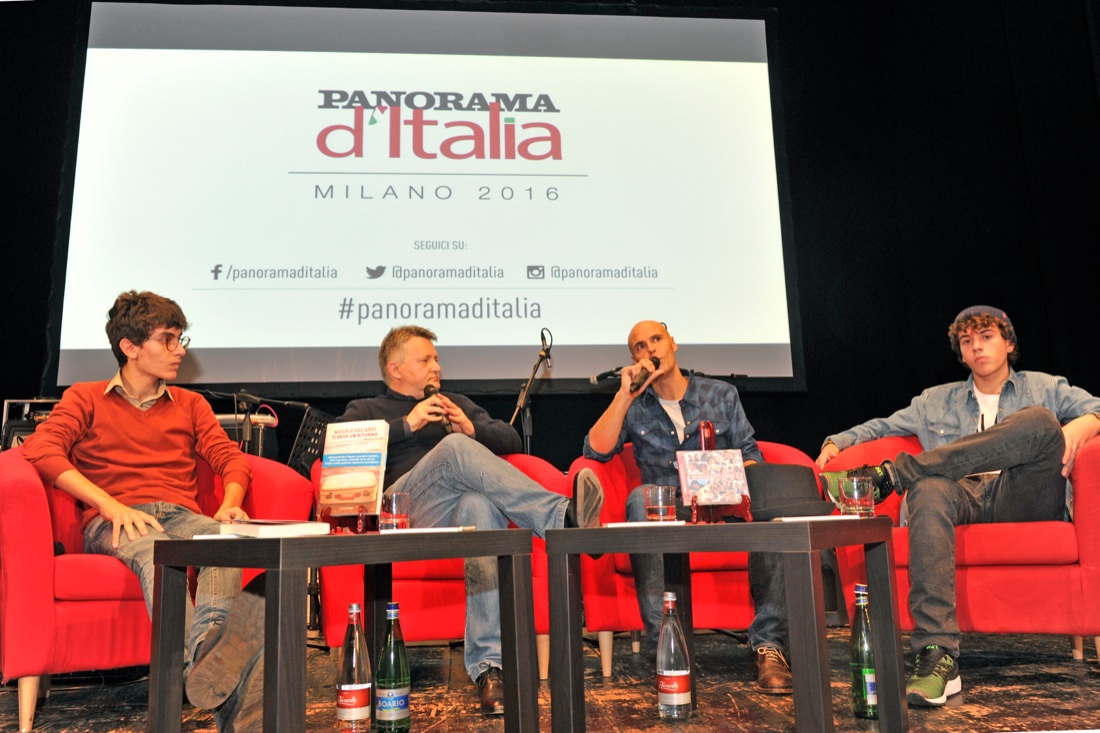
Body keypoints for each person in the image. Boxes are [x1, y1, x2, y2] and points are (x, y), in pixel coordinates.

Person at [816, 305, 1100, 707]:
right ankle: (937, 657)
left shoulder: (1046, 387)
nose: (977, 347)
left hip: (1021, 495)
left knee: (1039, 421)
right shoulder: (935, 401)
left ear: (1009, 344)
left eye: (986, 337)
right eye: (967, 341)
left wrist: (1088, 422)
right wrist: (836, 442)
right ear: (961, 353)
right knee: (928, 489)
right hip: (960, 497)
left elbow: (1096, 407)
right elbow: (881, 426)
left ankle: (891, 476)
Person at [22, 291, 266, 732]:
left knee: (226, 541)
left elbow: (231, 459)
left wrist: (230, 504)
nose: (179, 351)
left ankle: (205, 660)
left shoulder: (190, 404)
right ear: (130, 347)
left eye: (180, 339)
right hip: (114, 518)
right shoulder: (85, 397)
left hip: (179, 514)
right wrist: (108, 504)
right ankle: (210, 672)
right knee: (160, 554)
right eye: (168, 339)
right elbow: (41, 449)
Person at [335, 324, 604, 715]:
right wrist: (407, 425)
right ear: (395, 369)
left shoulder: (454, 403)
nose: (436, 367)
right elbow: (337, 448)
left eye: (437, 359)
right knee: (455, 448)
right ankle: (561, 517)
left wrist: (472, 428)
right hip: (400, 512)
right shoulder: (367, 410)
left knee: (479, 505)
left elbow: (511, 439)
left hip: (452, 513)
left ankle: (489, 668)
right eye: (425, 360)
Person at [583, 320, 833, 695]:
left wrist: (742, 487)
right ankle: (663, 644)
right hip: (671, 507)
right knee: (640, 497)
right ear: (634, 359)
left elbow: (750, 455)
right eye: (639, 347)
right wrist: (624, 395)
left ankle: (770, 646)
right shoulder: (635, 406)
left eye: (656, 339)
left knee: (768, 504)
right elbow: (595, 450)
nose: (650, 349)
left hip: (724, 500)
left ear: (673, 343)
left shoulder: (720, 394)